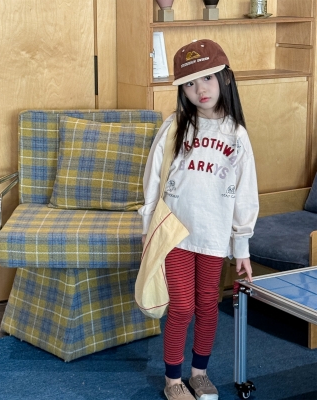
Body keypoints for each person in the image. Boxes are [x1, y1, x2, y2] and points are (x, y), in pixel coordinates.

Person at [138, 39, 259, 400]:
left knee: (208, 305)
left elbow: (245, 192)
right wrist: (147, 229)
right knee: (181, 307)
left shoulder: (236, 135)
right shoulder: (175, 127)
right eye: (189, 83)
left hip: (213, 235)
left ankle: (199, 375)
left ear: (224, 77)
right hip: (174, 232)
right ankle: (173, 380)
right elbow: (153, 180)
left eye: (207, 78)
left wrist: (241, 246)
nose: (200, 89)